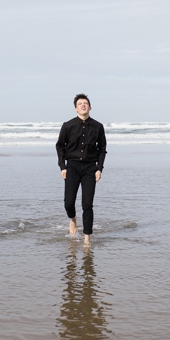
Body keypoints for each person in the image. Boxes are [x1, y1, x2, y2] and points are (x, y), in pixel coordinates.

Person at [56, 94, 107, 245]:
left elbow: (102, 149)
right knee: (68, 203)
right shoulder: (68, 125)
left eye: (86, 103)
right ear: (75, 108)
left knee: (87, 204)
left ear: (90, 107)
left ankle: (87, 238)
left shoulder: (98, 126)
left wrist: (99, 169)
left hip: (90, 168)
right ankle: (73, 219)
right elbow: (60, 146)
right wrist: (62, 166)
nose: (83, 105)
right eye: (80, 104)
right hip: (71, 167)